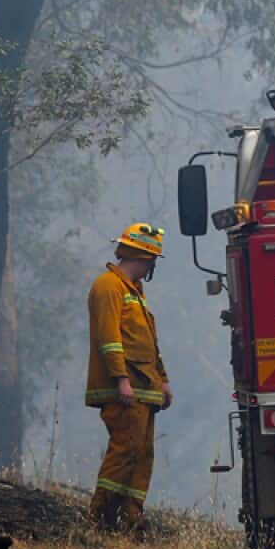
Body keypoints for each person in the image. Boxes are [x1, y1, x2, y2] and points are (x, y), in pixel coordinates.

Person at [86, 223, 172, 531]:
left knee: (142, 453)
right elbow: (108, 339)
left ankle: (131, 518)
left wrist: (162, 380)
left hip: (144, 388)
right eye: (151, 260)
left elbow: (147, 341)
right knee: (124, 450)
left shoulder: (133, 291)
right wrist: (121, 380)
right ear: (142, 256)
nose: (151, 267)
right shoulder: (108, 287)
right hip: (126, 389)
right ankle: (100, 518)